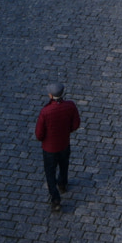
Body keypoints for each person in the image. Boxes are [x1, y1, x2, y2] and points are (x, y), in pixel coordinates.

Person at [34, 83, 81, 213]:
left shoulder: (45, 111)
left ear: (50, 95)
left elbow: (39, 134)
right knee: (64, 165)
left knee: (50, 173)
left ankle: (55, 200)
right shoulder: (70, 106)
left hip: (49, 148)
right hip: (64, 144)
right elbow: (76, 124)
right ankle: (62, 184)